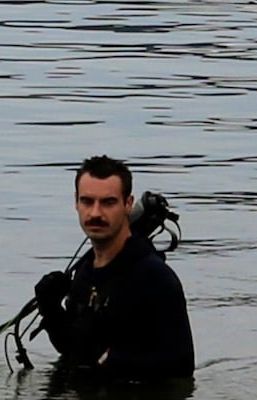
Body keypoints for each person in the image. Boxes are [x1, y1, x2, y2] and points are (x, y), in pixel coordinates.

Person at [25, 155, 194, 385]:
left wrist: (106, 359)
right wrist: (52, 311)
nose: (95, 213)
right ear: (76, 203)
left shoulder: (155, 278)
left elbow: (182, 367)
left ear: (128, 204)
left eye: (108, 202)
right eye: (87, 201)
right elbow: (74, 348)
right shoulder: (84, 271)